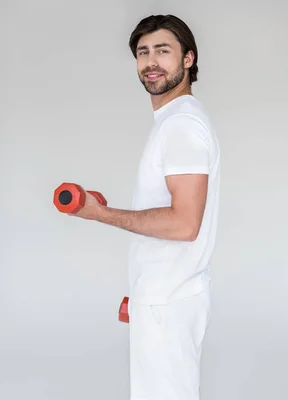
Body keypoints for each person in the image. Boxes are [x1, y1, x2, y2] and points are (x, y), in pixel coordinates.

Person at [70, 14, 220, 400]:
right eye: (143, 52)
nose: (151, 62)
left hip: (167, 301)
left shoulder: (181, 126)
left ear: (188, 59)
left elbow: (186, 223)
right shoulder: (173, 121)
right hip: (162, 296)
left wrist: (99, 213)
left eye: (163, 51)